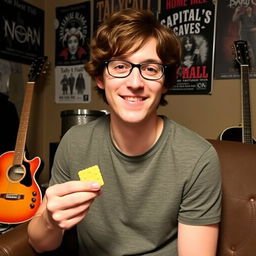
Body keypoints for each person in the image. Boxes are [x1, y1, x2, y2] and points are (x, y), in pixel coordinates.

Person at [28, 8, 221, 256]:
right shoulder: (75, 143)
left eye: (150, 69)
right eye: (120, 66)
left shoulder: (198, 158)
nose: (135, 82)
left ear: (165, 82)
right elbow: (39, 243)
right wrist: (50, 222)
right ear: (100, 77)